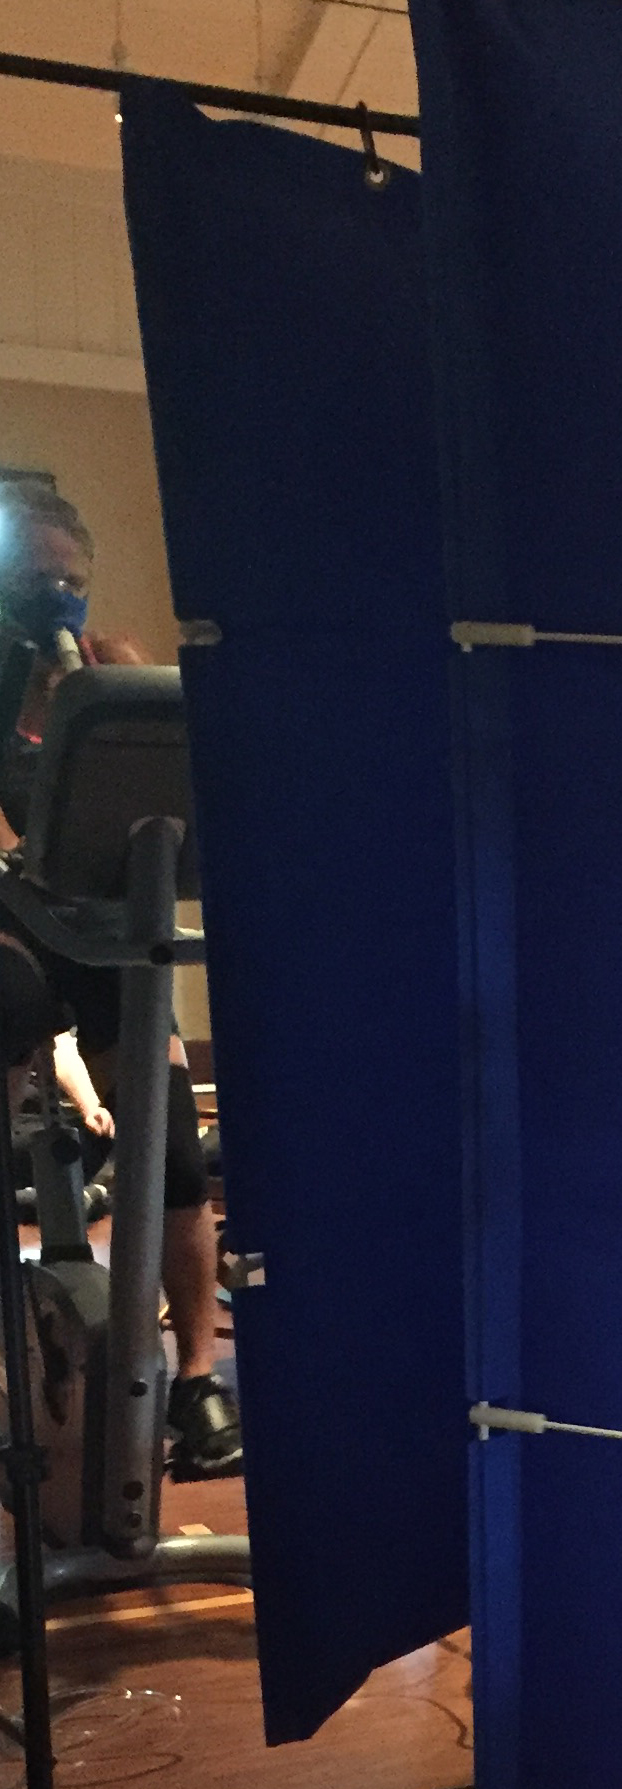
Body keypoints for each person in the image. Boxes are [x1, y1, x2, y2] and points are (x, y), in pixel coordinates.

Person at [0, 477, 240, 1478]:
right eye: (34, 578)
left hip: (108, 934)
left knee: (172, 1157)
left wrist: (141, 703)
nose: (56, 597)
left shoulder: (110, 681)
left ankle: (192, 1381)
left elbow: (173, 821)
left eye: (70, 579)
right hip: (15, 928)